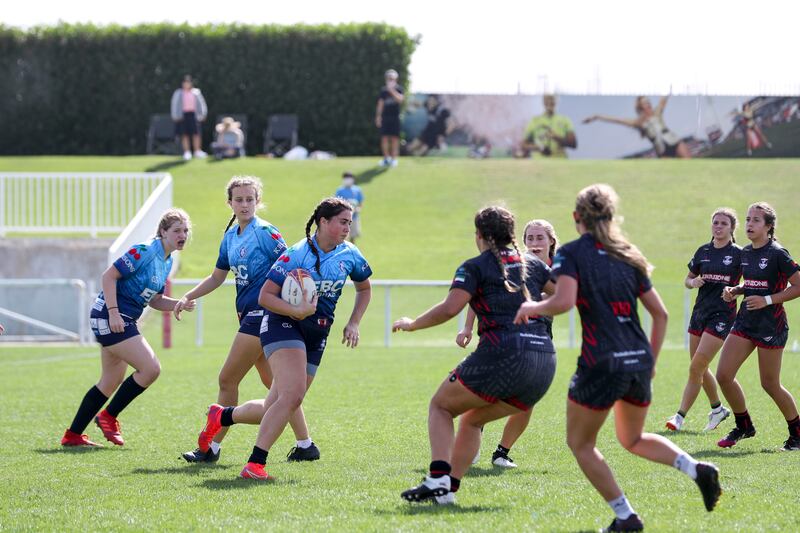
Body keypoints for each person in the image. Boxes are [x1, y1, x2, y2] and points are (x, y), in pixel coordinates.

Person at [514, 184, 720, 531]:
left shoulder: (572, 253)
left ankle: (626, 516)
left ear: (576, 218)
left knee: (580, 444)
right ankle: (695, 468)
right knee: (633, 439)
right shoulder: (628, 252)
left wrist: (532, 306)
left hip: (601, 361)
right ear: (610, 216)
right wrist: (651, 362)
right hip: (637, 359)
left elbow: (562, 302)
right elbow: (662, 315)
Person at [192, 197, 372, 480]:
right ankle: (255, 464)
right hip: (282, 325)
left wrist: (354, 322)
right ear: (323, 222)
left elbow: (364, 288)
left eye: (350, 222)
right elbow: (266, 296)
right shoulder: (295, 254)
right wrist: (296, 310)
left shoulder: (350, 254)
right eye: (342, 222)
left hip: (317, 334)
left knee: (276, 404)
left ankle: (223, 416)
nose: (348, 227)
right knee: (291, 396)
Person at [394, 206, 557, 505]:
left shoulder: (475, 266)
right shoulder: (534, 264)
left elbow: (449, 308)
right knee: (470, 421)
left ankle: (438, 476)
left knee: (441, 406)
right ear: (511, 234)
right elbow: (565, 295)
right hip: (544, 363)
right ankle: (447, 492)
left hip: (503, 354)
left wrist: (413, 324)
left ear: (480, 235)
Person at [177, 177, 318, 464]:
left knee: (227, 378)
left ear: (257, 201)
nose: (244, 204)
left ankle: (210, 448)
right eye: (238, 200)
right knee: (278, 388)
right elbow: (218, 276)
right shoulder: (230, 236)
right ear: (229, 203)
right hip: (249, 319)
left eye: (249, 199)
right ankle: (306, 445)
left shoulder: (265, 232)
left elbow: (293, 267)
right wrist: (188, 295)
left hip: (264, 317)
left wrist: (298, 303)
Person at [61, 209, 194, 447]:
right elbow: (108, 276)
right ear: (163, 232)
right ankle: (108, 416)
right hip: (111, 316)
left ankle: (73, 436)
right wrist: (113, 312)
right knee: (151, 368)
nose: (182, 235)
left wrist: (178, 304)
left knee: (110, 381)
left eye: (185, 230)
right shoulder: (144, 251)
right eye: (176, 230)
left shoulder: (168, 260)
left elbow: (154, 300)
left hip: (123, 319)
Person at [457, 219, 559, 469]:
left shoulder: (558, 271)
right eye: (530, 238)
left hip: (539, 338)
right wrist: (468, 327)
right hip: (502, 336)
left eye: (540, 238)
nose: (534, 243)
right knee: (489, 391)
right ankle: (473, 430)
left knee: (527, 402)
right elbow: (478, 292)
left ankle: (501, 452)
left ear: (551, 241)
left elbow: (567, 297)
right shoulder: (517, 264)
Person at [715, 202, 800, 451]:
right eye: (748, 219)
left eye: (756, 220)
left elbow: (798, 286)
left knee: (769, 384)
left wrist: (767, 300)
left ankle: (797, 433)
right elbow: (751, 283)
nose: (749, 224)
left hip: (771, 325)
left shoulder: (778, 254)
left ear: (768, 226)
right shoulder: (746, 253)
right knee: (723, 375)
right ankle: (744, 426)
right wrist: (735, 290)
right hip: (745, 322)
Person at [665, 209, 740, 433]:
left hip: (722, 315)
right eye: (715, 222)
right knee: (699, 367)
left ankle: (679, 416)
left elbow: (753, 280)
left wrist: (735, 291)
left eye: (723, 223)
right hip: (700, 313)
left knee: (696, 366)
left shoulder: (738, 253)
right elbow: (687, 280)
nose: (718, 226)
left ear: (731, 228)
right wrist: (693, 281)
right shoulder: (703, 251)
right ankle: (717, 409)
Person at [583, 95, 691, 158]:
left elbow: (664, 98)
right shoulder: (637, 123)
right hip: (661, 149)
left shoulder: (657, 112)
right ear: (640, 106)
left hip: (673, 141)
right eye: (645, 103)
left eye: (648, 101)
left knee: (690, 166)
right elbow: (617, 120)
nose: (648, 104)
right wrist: (597, 117)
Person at [170, 75, 208, 161]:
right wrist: (175, 115)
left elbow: (202, 104)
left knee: (196, 134)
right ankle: (187, 152)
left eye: (188, 82)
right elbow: (174, 105)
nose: (186, 84)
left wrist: (203, 114)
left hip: (194, 115)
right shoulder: (178, 92)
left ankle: (197, 151)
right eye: (185, 83)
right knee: (184, 134)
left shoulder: (196, 92)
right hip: (182, 116)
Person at [375, 69, 404, 167]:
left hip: (395, 118)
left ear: (396, 79)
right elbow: (380, 104)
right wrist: (378, 117)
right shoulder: (383, 91)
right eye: (389, 78)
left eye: (392, 78)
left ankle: (394, 160)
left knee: (395, 139)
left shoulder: (399, 89)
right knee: (384, 139)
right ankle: (386, 159)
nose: (390, 80)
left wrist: (392, 90)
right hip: (385, 118)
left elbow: (400, 100)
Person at [334, 172, 364, 244]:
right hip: (342, 218)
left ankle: (352, 251)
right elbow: (336, 202)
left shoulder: (357, 190)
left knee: (353, 236)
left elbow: (360, 202)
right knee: (343, 236)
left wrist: (358, 208)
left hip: (354, 217)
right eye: (346, 178)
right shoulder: (340, 190)